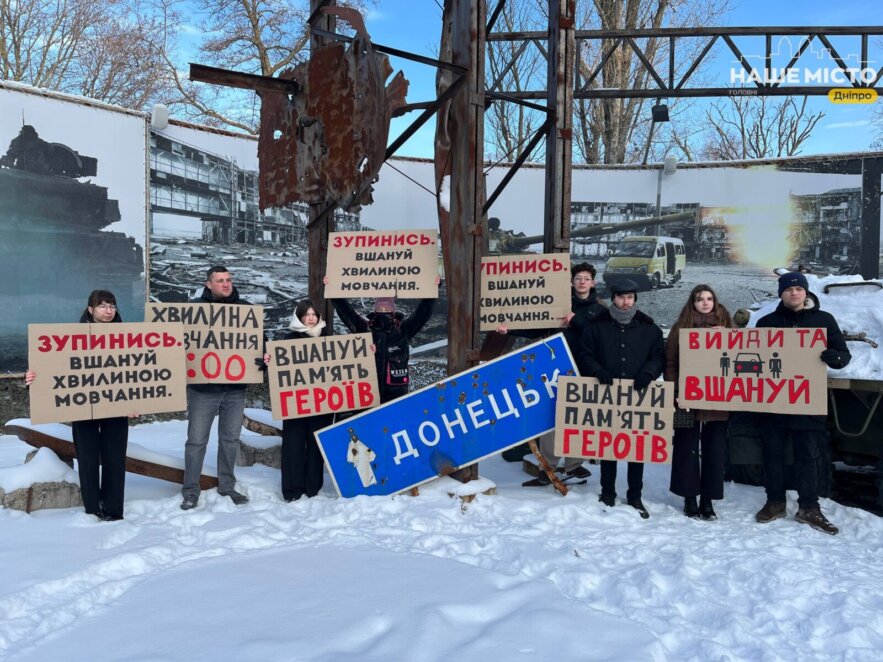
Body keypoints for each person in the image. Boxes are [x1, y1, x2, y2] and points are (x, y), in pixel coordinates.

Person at [753, 271, 850, 535]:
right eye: (788, 289)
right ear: (781, 293)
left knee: (808, 455)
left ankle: (809, 506)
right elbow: (751, 358)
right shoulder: (766, 322)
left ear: (806, 292)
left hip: (806, 399)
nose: (793, 293)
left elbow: (844, 355)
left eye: (798, 289)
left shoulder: (823, 320)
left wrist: (835, 357)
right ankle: (775, 501)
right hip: (772, 400)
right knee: (772, 453)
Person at [25, 290, 132, 521]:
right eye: (102, 306)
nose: (108, 310)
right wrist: (35, 378)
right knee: (88, 457)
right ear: (90, 310)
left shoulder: (129, 336)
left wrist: (138, 400)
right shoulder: (71, 337)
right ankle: (93, 507)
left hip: (116, 406)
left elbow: (138, 372)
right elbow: (54, 366)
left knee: (115, 458)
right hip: (83, 406)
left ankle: (114, 509)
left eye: (112, 305)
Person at [497, 262, 605, 482]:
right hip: (556, 368)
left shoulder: (600, 310)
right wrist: (510, 329)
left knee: (578, 417)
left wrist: (577, 321)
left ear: (593, 282)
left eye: (586, 278)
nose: (582, 282)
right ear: (572, 282)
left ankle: (575, 464)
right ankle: (549, 464)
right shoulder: (559, 304)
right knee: (551, 415)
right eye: (578, 278)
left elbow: (598, 338)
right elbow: (538, 326)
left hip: (585, 368)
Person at [577, 279, 664, 518]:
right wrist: (597, 371)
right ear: (613, 298)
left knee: (636, 447)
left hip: (638, 394)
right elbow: (585, 353)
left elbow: (658, 356)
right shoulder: (597, 327)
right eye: (621, 297)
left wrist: (648, 373)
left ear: (635, 299)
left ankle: (635, 495)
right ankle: (607, 493)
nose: (625, 302)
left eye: (629, 297)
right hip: (607, 393)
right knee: (608, 445)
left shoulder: (649, 329)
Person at [181, 265, 259, 510]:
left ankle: (227, 486)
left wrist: (262, 358)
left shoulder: (246, 310)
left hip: (235, 390)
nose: (226, 284)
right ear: (208, 284)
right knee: (196, 441)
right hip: (203, 390)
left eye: (228, 280)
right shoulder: (194, 310)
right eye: (220, 280)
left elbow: (259, 342)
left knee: (230, 439)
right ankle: (190, 491)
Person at [665, 285, 733, 521]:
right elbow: (671, 363)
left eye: (709, 298)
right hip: (687, 400)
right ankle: (690, 498)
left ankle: (708, 500)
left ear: (715, 301)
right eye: (699, 299)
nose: (705, 303)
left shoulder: (728, 328)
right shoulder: (681, 328)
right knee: (686, 449)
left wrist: (725, 338)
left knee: (715, 451)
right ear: (692, 303)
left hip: (717, 401)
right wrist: (675, 391)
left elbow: (736, 362)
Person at [326, 276, 438, 404]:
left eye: (387, 309)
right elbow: (345, 311)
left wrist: (433, 290)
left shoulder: (404, 330)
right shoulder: (364, 329)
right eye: (380, 309)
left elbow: (422, 313)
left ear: (393, 311)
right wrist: (330, 288)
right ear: (375, 310)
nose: (383, 312)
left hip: (396, 396)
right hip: (368, 394)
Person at [276, 299, 333, 501]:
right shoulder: (288, 339)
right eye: (306, 315)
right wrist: (268, 362)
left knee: (316, 445)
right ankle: (292, 489)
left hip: (322, 402)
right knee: (294, 445)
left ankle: (312, 488)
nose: (311, 318)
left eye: (314, 314)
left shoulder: (329, 338)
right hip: (296, 402)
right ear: (299, 317)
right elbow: (279, 367)